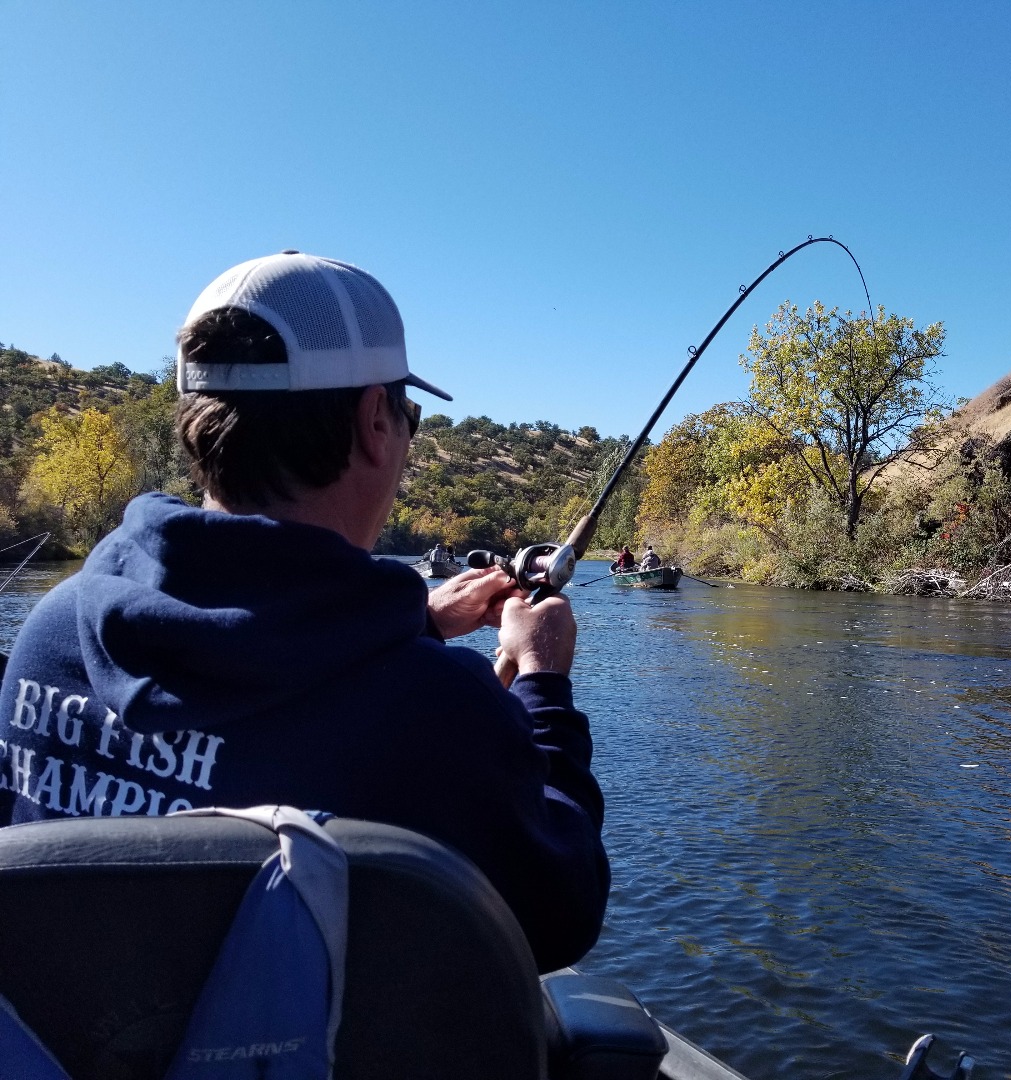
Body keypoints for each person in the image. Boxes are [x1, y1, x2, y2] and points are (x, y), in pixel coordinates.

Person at [0, 252, 607, 973]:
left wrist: (414, 622)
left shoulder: (51, 634)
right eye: (407, 414)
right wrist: (541, 681)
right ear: (374, 420)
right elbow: (560, 912)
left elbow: (255, 686)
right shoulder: (436, 712)